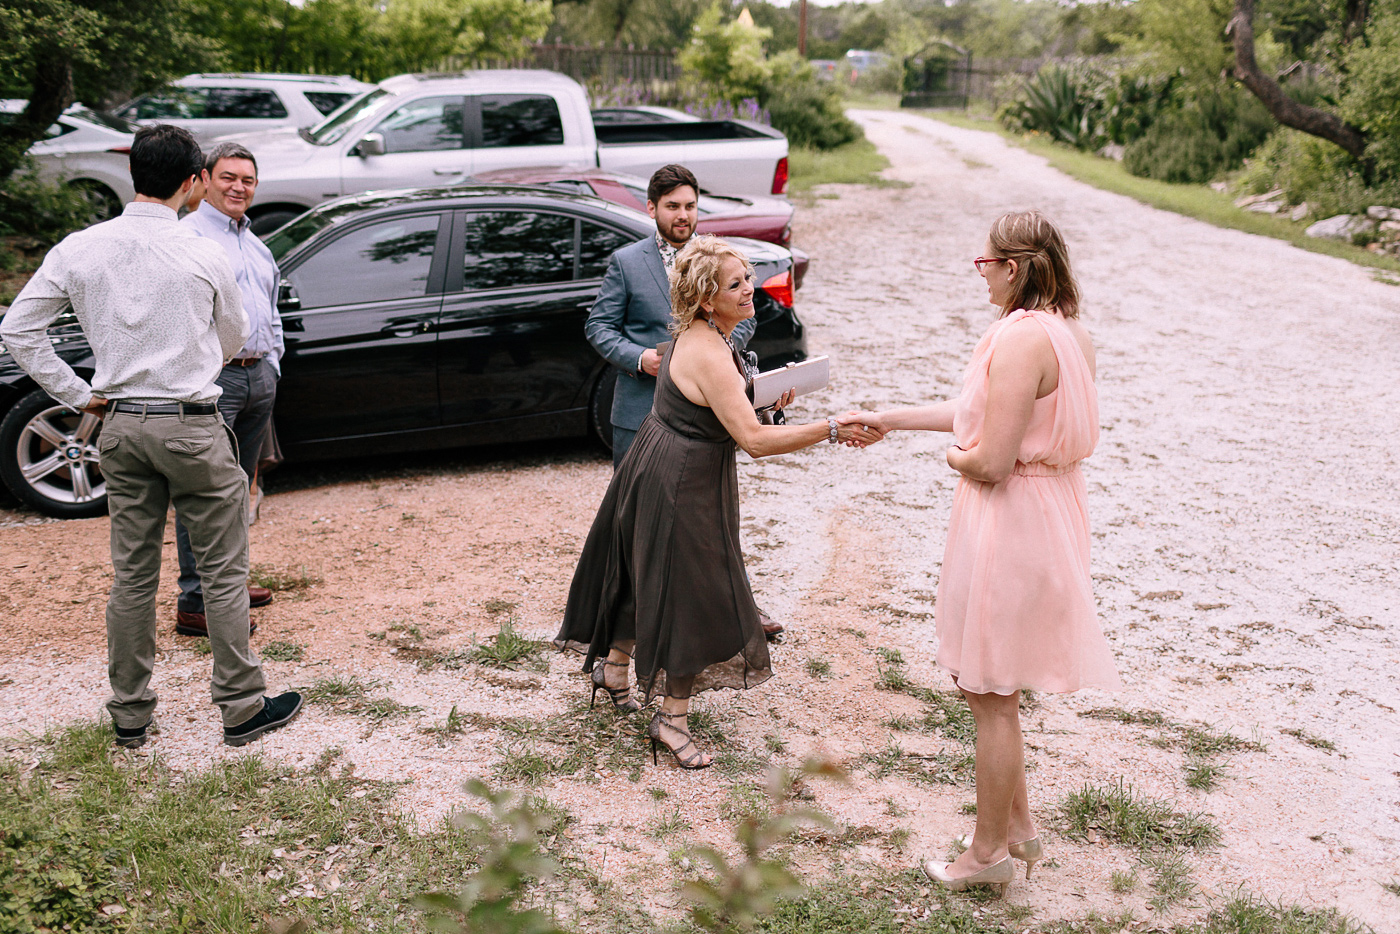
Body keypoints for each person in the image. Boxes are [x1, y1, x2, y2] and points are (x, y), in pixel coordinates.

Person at [0, 125, 303, 749]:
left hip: (120, 426)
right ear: (194, 182)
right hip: (190, 425)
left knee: (132, 575)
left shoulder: (80, 247)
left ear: (134, 172)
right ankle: (242, 707)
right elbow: (232, 337)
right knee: (222, 569)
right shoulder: (204, 251)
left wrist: (80, 394)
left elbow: (19, 330)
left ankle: (131, 712)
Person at [850, 210, 1121, 895]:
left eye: (985, 263)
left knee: (990, 689)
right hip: (1050, 512)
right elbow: (988, 409)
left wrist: (952, 456)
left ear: (1015, 266)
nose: (980, 275)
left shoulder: (1020, 340)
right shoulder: (1070, 334)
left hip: (1011, 520)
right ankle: (1020, 829)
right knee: (994, 683)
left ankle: (987, 852)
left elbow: (990, 457)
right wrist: (893, 418)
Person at [557, 236, 882, 769]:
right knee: (695, 593)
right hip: (682, 480)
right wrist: (829, 428)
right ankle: (672, 719)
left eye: (748, 278)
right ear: (707, 299)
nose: (749, 290)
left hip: (664, 463)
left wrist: (763, 401)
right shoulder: (708, 350)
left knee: (646, 573)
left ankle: (615, 670)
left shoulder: (701, 332)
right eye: (736, 285)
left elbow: (724, 409)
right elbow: (752, 441)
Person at [585, 164, 784, 638]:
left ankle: (738, 609)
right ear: (651, 208)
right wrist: (639, 359)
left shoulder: (718, 260)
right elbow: (599, 327)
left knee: (712, 518)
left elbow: (744, 314)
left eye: (691, 206)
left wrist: (719, 347)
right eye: (673, 206)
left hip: (704, 413)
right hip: (640, 412)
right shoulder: (627, 263)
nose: (683, 215)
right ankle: (622, 625)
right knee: (634, 523)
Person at [172, 141, 283, 637]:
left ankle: (229, 583)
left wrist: (273, 364)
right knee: (201, 490)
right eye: (228, 177)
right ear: (203, 179)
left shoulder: (255, 243)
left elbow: (271, 307)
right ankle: (195, 599)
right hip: (215, 380)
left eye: (248, 180)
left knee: (239, 488)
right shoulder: (188, 237)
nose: (239, 187)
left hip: (259, 376)